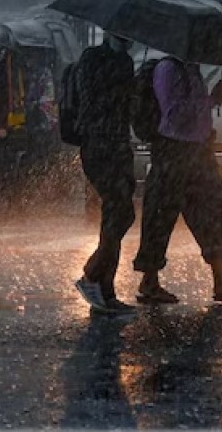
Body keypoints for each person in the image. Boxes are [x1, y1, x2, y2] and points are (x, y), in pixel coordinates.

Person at [133, 56, 222, 304]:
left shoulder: (192, 70)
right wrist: (209, 101)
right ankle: (149, 281)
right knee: (160, 215)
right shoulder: (168, 70)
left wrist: (212, 101)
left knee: (210, 212)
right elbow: (174, 113)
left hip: (199, 150)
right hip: (174, 151)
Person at [73, 33, 138, 314]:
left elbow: (126, 107)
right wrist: (123, 88)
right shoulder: (92, 58)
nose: (128, 42)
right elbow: (94, 98)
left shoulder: (125, 61)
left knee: (120, 214)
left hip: (120, 144)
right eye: (123, 37)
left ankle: (103, 284)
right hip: (99, 145)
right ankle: (93, 276)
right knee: (118, 210)